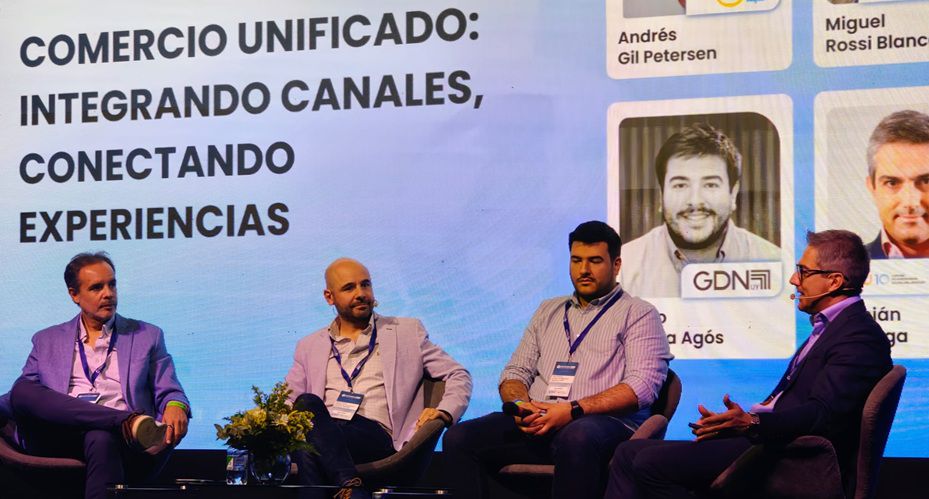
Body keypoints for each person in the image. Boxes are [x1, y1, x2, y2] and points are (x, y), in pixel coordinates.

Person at [606, 229, 892, 499]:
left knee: (648, 464)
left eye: (803, 271)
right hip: (767, 441)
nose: (794, 279)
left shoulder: (859, 337)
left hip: (791, 457)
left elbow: (822, 415)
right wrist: (737, 424)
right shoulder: (830, 327)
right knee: (626, 453)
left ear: (834, 281)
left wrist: (753, 423)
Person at [442, 221, 672, 499]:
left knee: (578, 435)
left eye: (595, 261)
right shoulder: (548, 309)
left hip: (603, 424)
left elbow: (642, 387)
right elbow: (515, 371)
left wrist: (571, 410)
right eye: (576, 260)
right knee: (459, 438)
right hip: (541, 419)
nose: (583, 270)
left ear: (617, 264)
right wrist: (521, 407)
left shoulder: (638, 313)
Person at [0, 252, 191, 499]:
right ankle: (126, 420)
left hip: (120, 443)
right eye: (97, 287)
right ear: (74, 295)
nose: (108, 293)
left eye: (112, 284)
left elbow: (170, 389)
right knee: (22, 389)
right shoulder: (46, 339)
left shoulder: (147, 335)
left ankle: (120, 424)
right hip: (58, 433)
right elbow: (24, 398)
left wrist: (177, 405)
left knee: (100, 438)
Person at [284, 258, 472, 499]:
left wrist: (445, 411)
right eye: (349, 288)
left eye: (366, 285)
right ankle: (350, 486)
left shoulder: (405, 331)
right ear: (329, 297)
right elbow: (287, 400)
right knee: (307, 408)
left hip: (377, 437)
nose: (361, 294)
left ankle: (349, 484)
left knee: (310, 443)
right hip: (327, 429)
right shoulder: (309, 346)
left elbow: (458, 374)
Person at [620, 122, 781, 297]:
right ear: (661, 195)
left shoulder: (773, 262)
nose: (695, 201)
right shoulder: (625, 267)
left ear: (733, 194)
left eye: (710, 185)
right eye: (680, 185)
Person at [864, 110, 929, 259]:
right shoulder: (843, 273)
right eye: (892, 182)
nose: (910, 202)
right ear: (872, 188)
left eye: (926, 181)